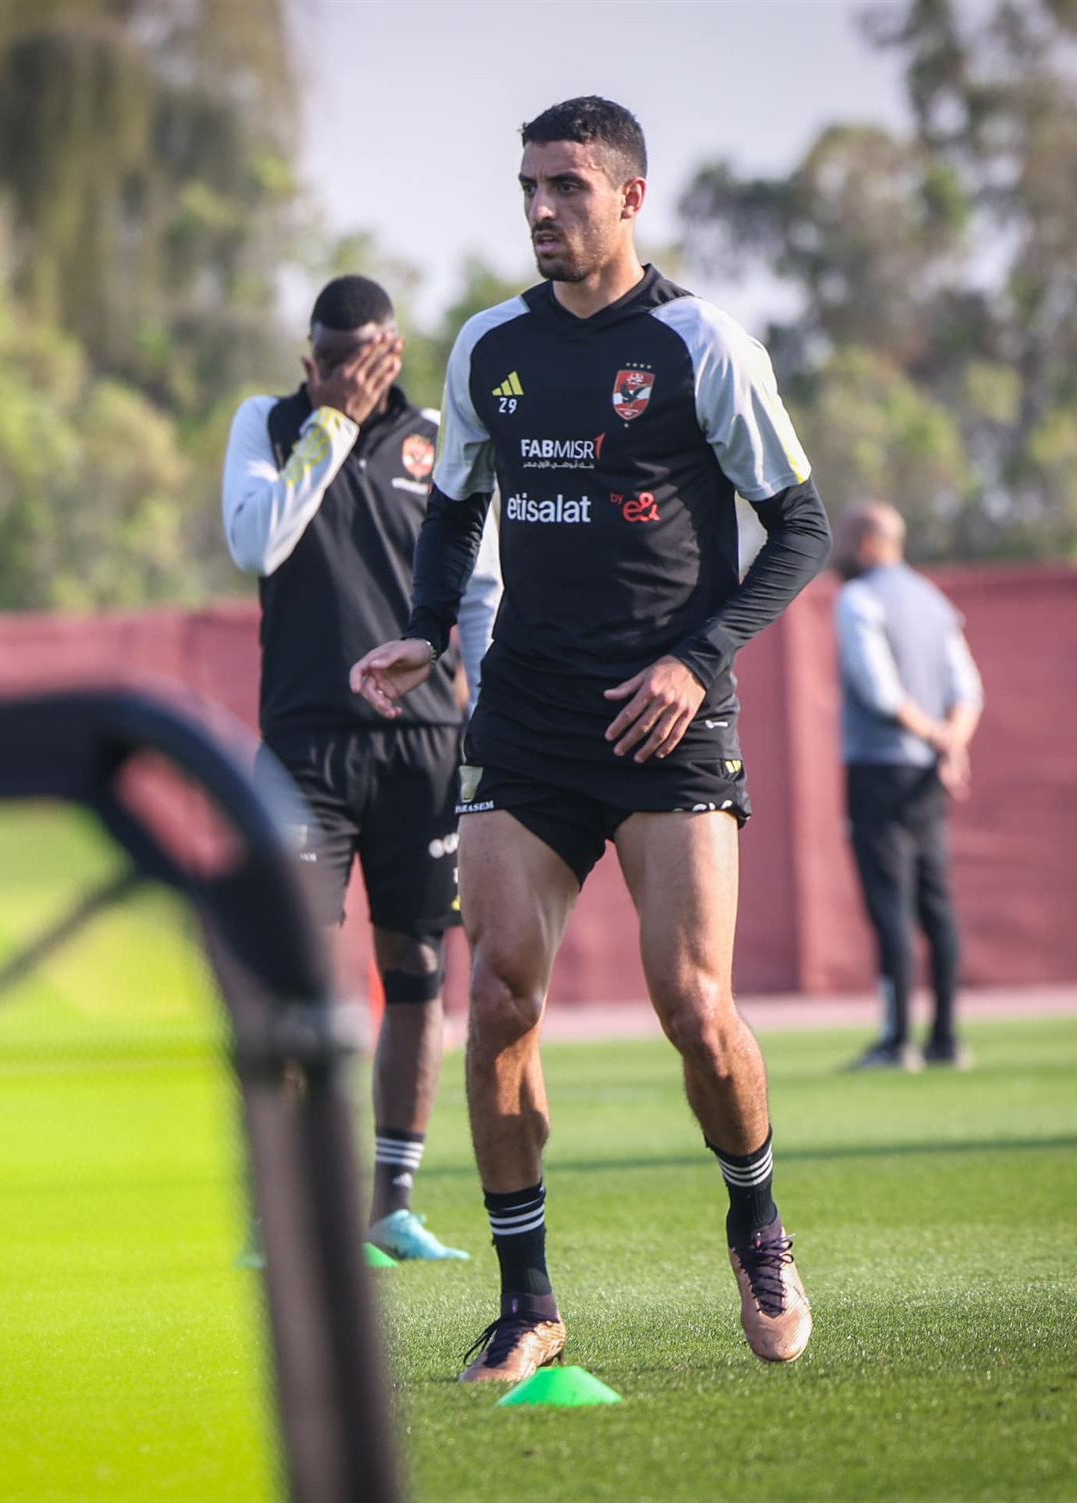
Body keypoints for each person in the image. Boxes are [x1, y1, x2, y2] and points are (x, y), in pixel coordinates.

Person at [349, 98, 831, 1379]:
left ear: (629, 197)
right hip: (529, 715)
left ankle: (757, 1225)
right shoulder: (489, 345)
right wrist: (426, 632)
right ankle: (528, 1301)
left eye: (566, 185)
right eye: (528, 186)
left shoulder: (701, 344)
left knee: (694, 1008)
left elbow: (801, 529)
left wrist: (695, 659)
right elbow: (455, 510)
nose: (541, 208)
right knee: (501, 996)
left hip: (669, 719)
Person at [223, 274, 502, 1260]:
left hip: (424, 744)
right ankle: (282, 1212)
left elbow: (481, 589)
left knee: (417, 970)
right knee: (290, 972)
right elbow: (255, 543)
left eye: (362, 358)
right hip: (307, 743)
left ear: (394, 353)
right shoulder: (268, 425)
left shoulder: (438, 440)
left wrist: (485, 714)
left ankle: (393, 1204)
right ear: (309, 359)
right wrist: (331, 426)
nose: (345, 374)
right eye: (329, 360)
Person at [831, 502, 984, 1071]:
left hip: (880, 768)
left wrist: (935, 736)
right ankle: (945, 1039)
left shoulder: (859, 598)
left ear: (870, 544)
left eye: (847, 540)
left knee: (890, 905)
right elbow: (967, 689)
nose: (838, 552)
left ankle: (897, 1041)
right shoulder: (931, 598)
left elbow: (881, 691)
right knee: (936, 902)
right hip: (928, 773)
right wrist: (951, 743)